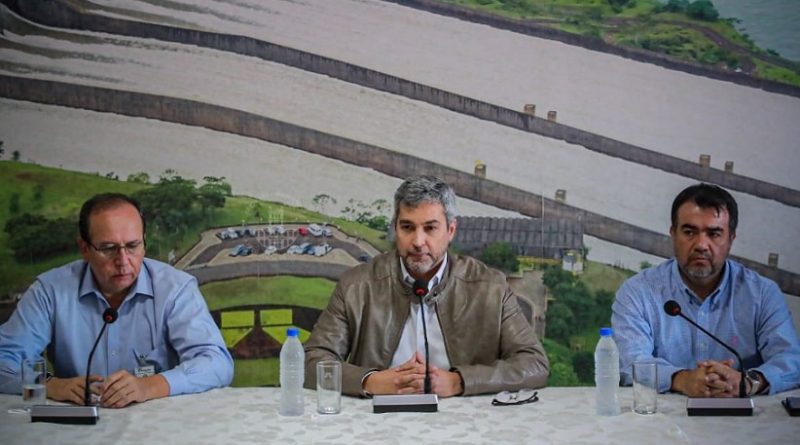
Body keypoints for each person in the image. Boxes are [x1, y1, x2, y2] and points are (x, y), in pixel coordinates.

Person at [304, 175, 549, 397]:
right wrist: (370, 381)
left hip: (463, 417)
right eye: (407, 227)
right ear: (396, 228)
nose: (418, 241)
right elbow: (311, 362)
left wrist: (460, 381)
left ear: (450, 230)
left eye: (430, 228)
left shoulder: (491, 287)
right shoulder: (356, 285)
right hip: (377, 417)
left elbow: (534, 363)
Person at [0, 193, 233, 408]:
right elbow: (4, 360)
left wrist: (149, 386)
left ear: (144, 242)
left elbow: (217, 363)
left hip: (159, 423)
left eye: (132, 246)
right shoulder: (49, 291)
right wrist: (53, 385)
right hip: (77, 425)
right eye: (109, 248)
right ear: (85, 248)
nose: (123, 261)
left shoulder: (175, 289)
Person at [612, 183, 800, 397]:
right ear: (673, 234)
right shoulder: (637, 292)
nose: (701, 244)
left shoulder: (762, 293)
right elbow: (630, 362)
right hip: (664, 415)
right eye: (689, 232)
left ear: (731, 239)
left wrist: (746, 382)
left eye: (714, 234)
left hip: (744, 414)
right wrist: (682, 380)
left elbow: (791, 360)